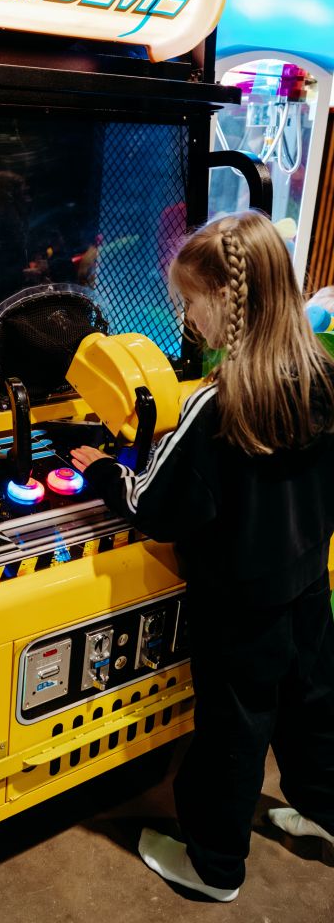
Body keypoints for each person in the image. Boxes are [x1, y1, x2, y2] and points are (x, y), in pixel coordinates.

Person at [71, 210, 334, 902]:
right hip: (308, 582)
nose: (186, 318)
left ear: (225, 299)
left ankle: (214, 867)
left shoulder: (219, 405)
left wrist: (104, 469)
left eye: (189, 302)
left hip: (238, 606)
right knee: (312, 706)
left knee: (231, 734)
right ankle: (324, 811)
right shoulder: (323, 374)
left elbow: (153, 506)